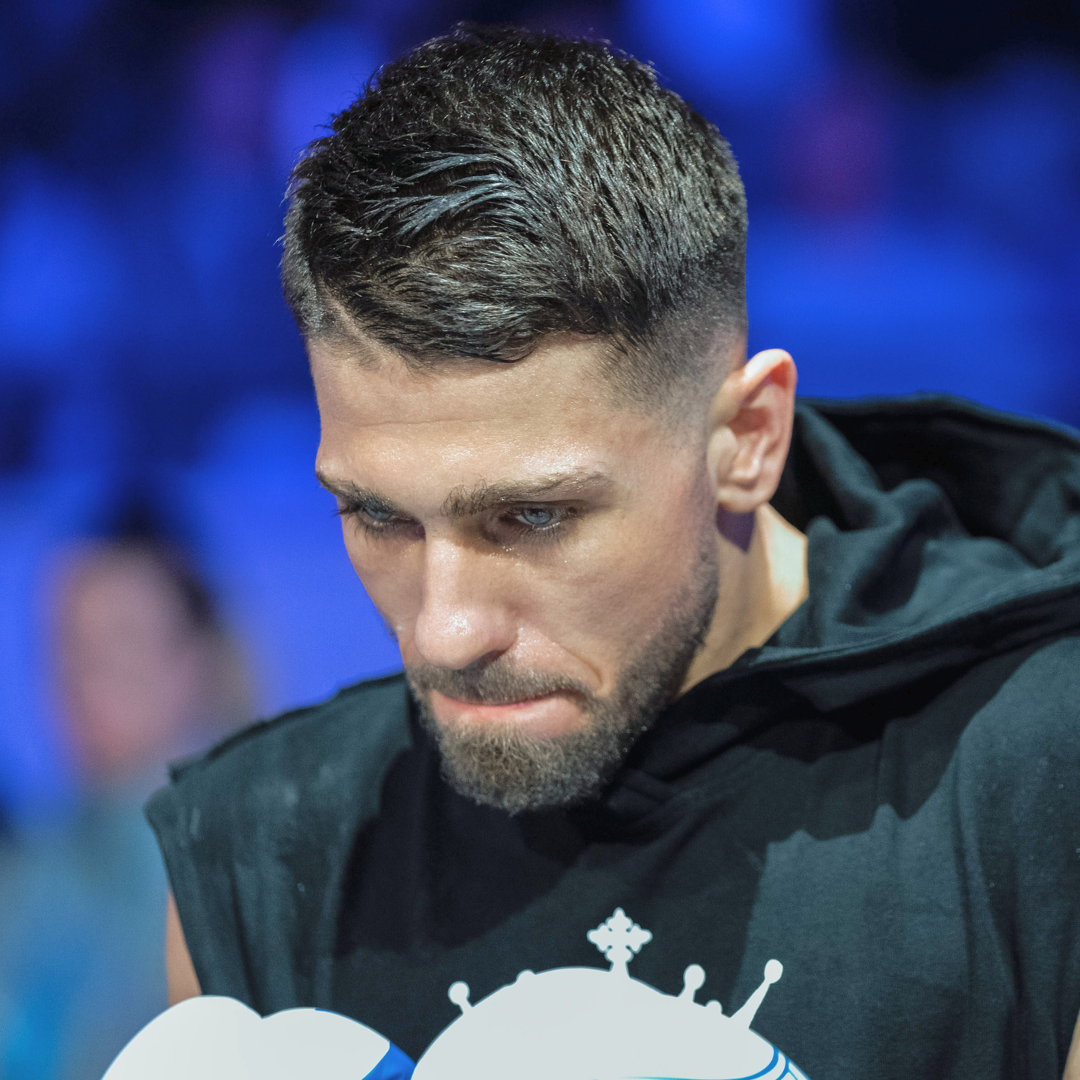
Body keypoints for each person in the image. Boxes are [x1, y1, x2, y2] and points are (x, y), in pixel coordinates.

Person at [147, 25, 1080, 1080]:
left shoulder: (1044, 780)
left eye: (532, 518)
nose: (446, 631)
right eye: (379, 517)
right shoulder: (259, 851)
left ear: (746, 441)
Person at [0, 536, 245, 1080]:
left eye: (121, 639)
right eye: (68, 645)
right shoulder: (33, 868)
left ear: (194, 658)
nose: (85, 673)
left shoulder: (266, 851)